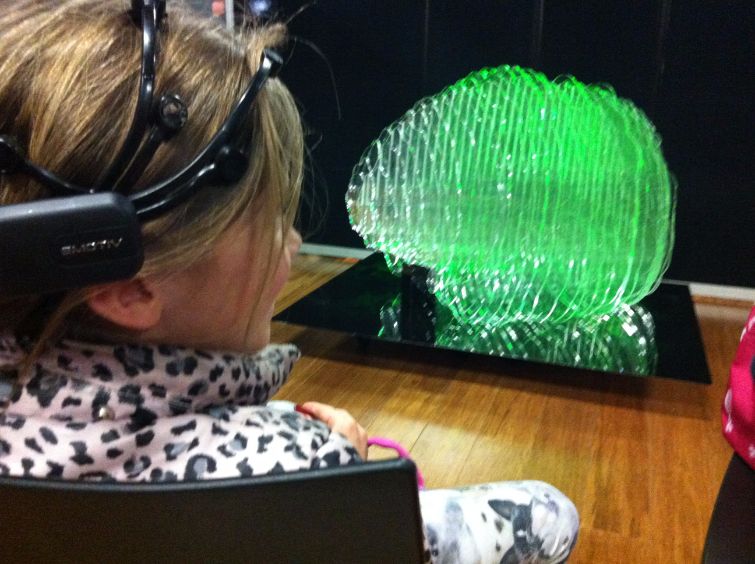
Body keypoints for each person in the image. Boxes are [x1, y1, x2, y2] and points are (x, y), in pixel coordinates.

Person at [0, 1, 578, 562]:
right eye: (272, 218)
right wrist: (341, 470)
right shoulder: (295, 478)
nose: (294, 240)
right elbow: (540, 519)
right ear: (132, 289)